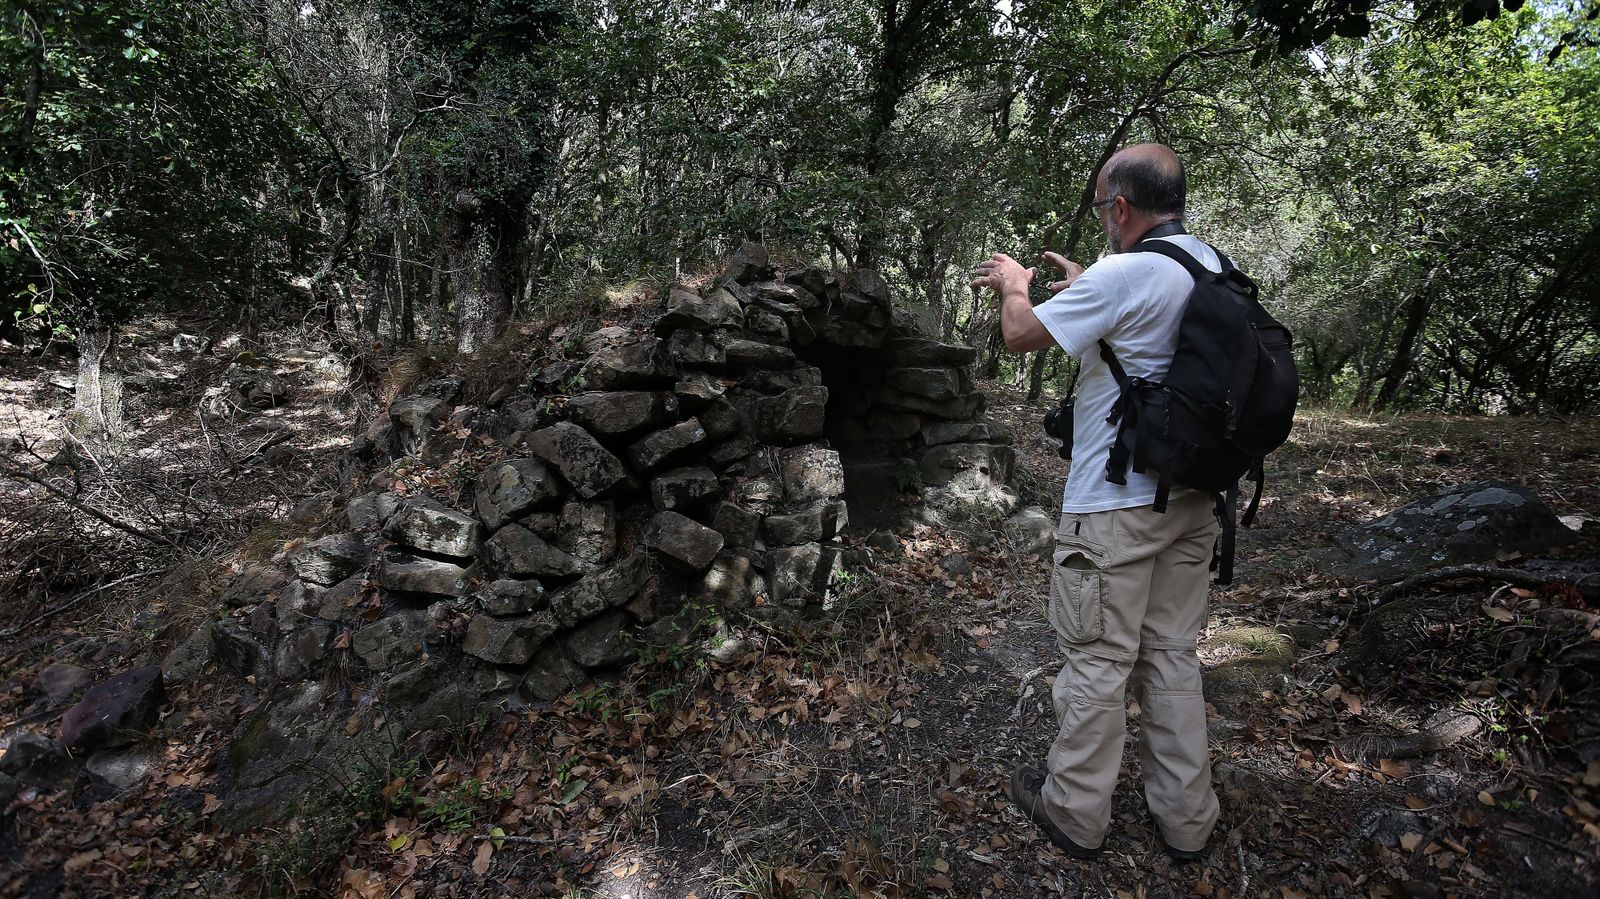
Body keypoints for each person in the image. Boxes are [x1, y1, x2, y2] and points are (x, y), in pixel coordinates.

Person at [968, 143, 1222, 862]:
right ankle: (1187, 820)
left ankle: (1075, 812)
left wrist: (1015, 284)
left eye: (1106, 203)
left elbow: (1021, 333)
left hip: (1115, 506)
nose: (1105, 215)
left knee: (1099, 659)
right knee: (1170, 654)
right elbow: (1146, 340)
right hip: (1193, 496)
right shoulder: (1208, 265)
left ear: (1122, 207)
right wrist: (1088, 286)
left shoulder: (1124, 272)